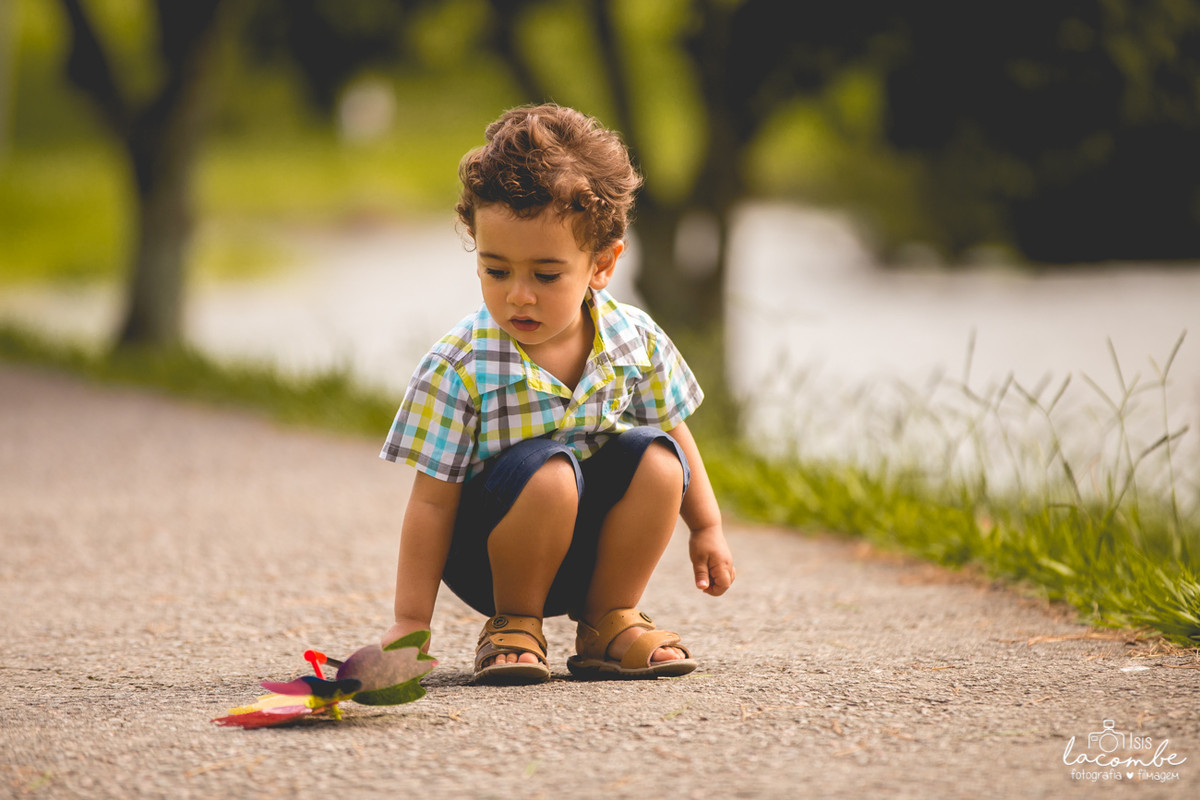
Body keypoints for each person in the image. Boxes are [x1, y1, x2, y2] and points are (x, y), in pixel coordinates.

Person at [379, 103, 735, 684]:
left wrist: (708, 528)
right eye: (497, 271)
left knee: (659, 459)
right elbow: (430, 504)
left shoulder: (632, 340)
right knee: (547, 469)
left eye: (546, 276)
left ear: (602, 264)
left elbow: (674, 430)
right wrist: (408, 622)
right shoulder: (462, 365)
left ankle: (608, 620)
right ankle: (514, 624)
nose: (519, 295)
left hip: (589, 556)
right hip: (490, 556)